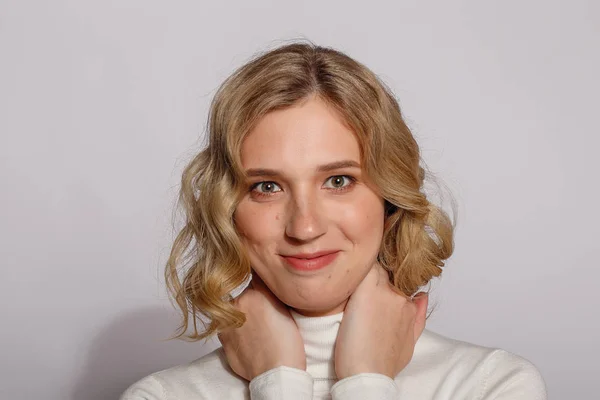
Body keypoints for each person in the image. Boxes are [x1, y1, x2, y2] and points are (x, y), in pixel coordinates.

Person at [120, 41, 547, 399]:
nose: (304, 228)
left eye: (338, 180)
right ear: (227, 206)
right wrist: (281, 383)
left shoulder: (490, 385)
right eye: (267, 186)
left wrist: (365, 379)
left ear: (389, 195)